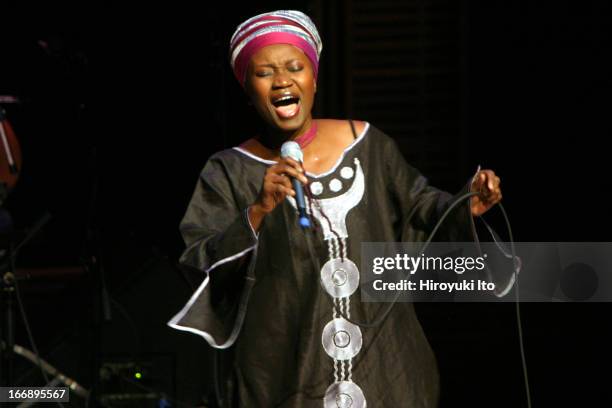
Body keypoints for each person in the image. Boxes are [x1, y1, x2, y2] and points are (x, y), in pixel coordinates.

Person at [168, 10, 504, 407]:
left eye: (295, 67)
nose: (282, 81)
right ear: (247, 88)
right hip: (285, 376)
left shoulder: (366, 143)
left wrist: (467, 204)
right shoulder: (228, 169)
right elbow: (199, 264)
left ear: (313, 78)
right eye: (264, 73)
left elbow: (422, 208)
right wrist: (257, 212)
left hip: (386, 367)